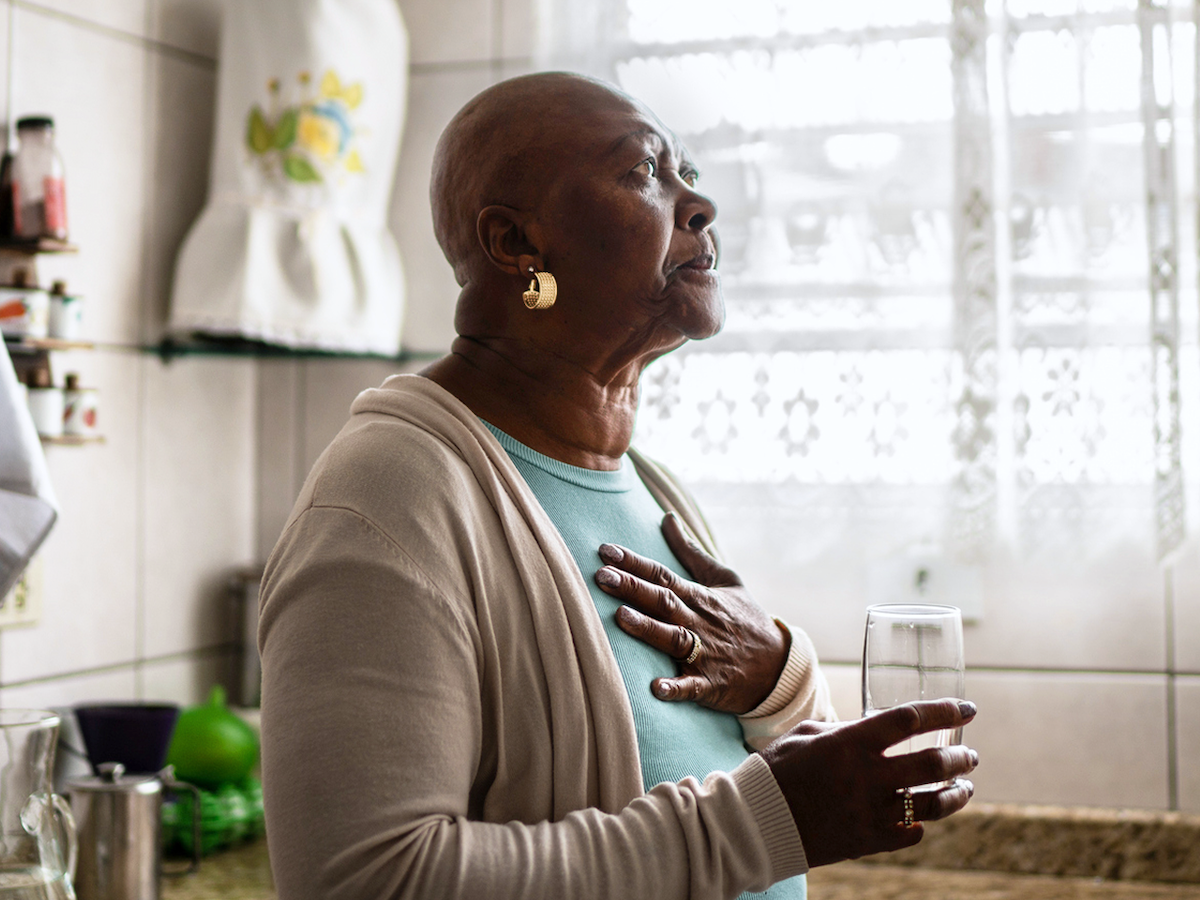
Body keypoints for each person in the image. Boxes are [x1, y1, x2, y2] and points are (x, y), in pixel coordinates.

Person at [258, 71, 979, 900]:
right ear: (516, 247)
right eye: (643, 172)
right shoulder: (389, 499)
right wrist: (758, 823)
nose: (697, 207)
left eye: (689, 177)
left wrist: (780, 673)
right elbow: (364, 881)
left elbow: (747, 761)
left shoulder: (650, 486)